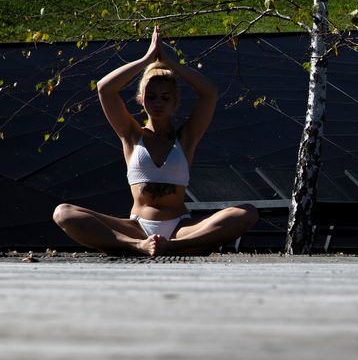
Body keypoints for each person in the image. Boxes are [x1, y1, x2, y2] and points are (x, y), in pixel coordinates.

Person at [53, 26, 258, 256]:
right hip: (137, 228)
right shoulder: (131, 135)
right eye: (151, 97)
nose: (158, 102)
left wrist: (171, 63)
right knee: (63, 213)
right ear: (141, 99)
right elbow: (105, 89)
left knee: (247, 213)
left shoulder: (186, 137)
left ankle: (173, 247)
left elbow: (209, 92)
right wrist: (146, 60)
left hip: (181, 228)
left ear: (175, 101)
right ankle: (137, 247)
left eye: (165, 97)